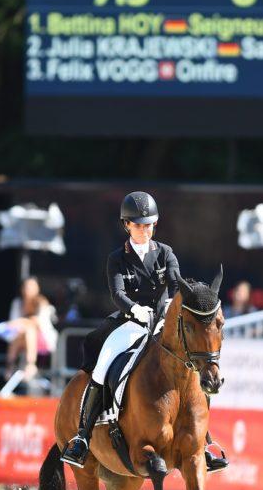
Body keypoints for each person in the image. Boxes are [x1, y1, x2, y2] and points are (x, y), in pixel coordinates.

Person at [59, 191, 229, 473]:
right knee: (102, 368)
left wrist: (167, 312)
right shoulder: (117, 258)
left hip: (163, 322)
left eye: (148, 224)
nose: (144, 230)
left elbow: (176, 286)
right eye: (138, 225)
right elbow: (117, 292)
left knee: (194, 370)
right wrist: (135, 310)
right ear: (127, 225)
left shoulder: (165, 253)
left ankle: (205, 442)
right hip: (130, 322)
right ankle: (82, 436)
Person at [1, 276, 59, 379]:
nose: (29, 289)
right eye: (27, 287)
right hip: (20, 339)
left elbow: (39, 323)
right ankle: (10, 366)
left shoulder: (42, 302)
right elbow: (12, 323)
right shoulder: (17, 303)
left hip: (42, 339)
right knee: (19, 335)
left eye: (32, 286)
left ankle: (30, 364)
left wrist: (22, 322)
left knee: (29, 330)